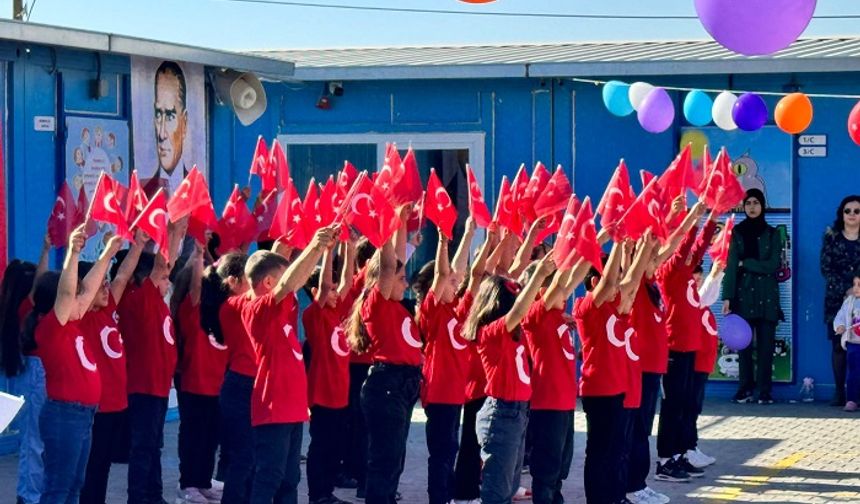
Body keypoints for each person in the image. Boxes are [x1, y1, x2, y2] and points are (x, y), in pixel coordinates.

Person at [241, 226, 336, 504]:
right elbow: (287, 284)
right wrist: (314, 248)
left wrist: (315, 249)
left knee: (290, 479)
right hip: (273, 408)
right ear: (268, 283)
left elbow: (294, 277)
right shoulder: (258, 308)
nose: (295, 286)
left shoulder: (283, 312)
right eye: (283, 277)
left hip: (293, 408)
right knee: (269, 475)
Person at [29, 226, 122, 503]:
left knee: (74, 485)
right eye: (72, 294)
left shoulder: (73, 321)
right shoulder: (50, 328)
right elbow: (68, 295)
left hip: (82, 415)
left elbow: (87, 290)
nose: (81, 298)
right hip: (64, 415)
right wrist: (72, 251)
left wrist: (107, 255)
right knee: (59, 487)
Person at [461, 249, 554, 504]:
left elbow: (531, 305)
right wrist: (539, 275)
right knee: (496, 492)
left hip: (516, 412)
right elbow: (520, 310)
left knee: (508, 488)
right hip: (501, 415)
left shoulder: (512, 332)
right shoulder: (491, 332)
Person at [346, 206, 422, 504]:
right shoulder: (375, 303)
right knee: (385, 460)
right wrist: (391, 224)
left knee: (396, 459)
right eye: (402, 279)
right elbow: (389, 266)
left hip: (402, 385)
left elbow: (397, 261)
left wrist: (401, 221)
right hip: (386, 385)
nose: (405, 283)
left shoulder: (395, 306)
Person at [577, 231, 655, 504]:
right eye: (610, 280)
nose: (619, 286)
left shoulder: (617, 308)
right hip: (599, 390)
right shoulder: (587, 307)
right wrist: (619, 242)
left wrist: (645, 246)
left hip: (620, 389)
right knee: (600, 452)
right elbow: (612, 281)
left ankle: (616, 495)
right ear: (595, 282)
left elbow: (631, 282)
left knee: (618, 450)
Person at [121, 219, 187, 504]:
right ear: (144, 279)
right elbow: (163, 264)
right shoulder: (138, 300)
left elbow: (165, 268)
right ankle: (138, 498)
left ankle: (154, 495)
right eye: (162, 279)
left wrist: (181, 232)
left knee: (154, 446)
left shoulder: (159, 302)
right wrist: (175, 229)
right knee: (143, 447)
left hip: (159, 388)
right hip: (144, 388)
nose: (167, 281)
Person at [79, 230, 147, 504]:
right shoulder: (80, 318)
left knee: (103, 466)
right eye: (100, 285)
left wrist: (138, 245)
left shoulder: (107, 311)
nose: (106, 287)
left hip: (115, 406)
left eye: (105, 283)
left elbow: (121, 277)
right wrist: (105, 255)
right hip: (95, 408)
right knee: (90, 468)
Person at [413, 219, 475, 504]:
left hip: (454, 394)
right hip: (439, 393)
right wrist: (442, 242)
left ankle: (447, 495)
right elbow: (444, 273)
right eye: (451, 283)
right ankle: (438, 498)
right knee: (442, 451)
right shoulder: (432, 311)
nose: (456, 283)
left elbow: (459, 271)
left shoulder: (455, 309)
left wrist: (471, 231)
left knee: (450, 448)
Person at [522, 253, 590, 504]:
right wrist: (568, 249)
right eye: (559, 290)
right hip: (547, 404)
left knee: (561, 466)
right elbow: (564, 281)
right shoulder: (536, 315)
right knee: (547, 470)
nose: (567, 294)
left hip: (565, 403)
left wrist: (593, 245)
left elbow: (573, 278)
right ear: (542, 291)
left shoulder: (558, 316)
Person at [656, 206, 717, 482]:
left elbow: (699, 248)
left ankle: (680, 454)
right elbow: (686, 248)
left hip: (689, 350)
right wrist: (695, 218)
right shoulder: (669, 272)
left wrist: (712, 218)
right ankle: (665, 460)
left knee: (683, 406)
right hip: (674, 350)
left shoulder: (687, 274)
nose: (690, 254)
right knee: (672, 408)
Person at [173, 244, 229, 504]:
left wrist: (208, 255)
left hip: (217, 386)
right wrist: (197, 257)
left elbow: (224, 273)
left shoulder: (218, 314)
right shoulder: (190, 308)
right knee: (194, 437)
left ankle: (204, 481)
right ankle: (188, 483)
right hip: (195, 385)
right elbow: (196, 287)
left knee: (212, 437)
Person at [303, 240, 355, 504]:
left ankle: (327, 492)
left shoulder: (337, 313)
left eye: (336, 290)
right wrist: (327, 250)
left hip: (340, 394)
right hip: (322, 394)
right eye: (330, 289)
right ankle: (317, 495)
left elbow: (348, 279)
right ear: (315, 292)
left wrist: (350, 247)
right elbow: (326, 286)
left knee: (335, 446)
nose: (336, 292)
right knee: (321, 447)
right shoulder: (314, 315)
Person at [722, 189, 782, 405]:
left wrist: (745, 263)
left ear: (763, 206)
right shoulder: (737, 233)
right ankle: (745, 389)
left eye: (756, 203)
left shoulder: (773, 234)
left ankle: (764, 391)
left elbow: (773, 264)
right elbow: (730, 266)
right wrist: (727, 297)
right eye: (748, 203)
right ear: (743, 207)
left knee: (766, 347)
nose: (752, 207)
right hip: (743, 294)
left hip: (767, 295)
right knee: (744, 346)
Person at [452, 228, 496, 504]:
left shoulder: (487, 306)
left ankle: (473, 489)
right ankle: (463, 493)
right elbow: (480, 274)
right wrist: (490, 241)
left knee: (483, 443)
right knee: (469, 443)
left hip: (489, 383)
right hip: (473, 385)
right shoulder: (465, 305)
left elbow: (500, 272)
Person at [1, 249, 46, 504]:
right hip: (33, 374)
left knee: (33, 441)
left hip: (26, 373)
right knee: (34, 442)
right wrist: (47, 250)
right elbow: (39, 283)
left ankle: (30, 494)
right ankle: (29, 496)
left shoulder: (11, 307)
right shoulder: (26, 307)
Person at [215, 252, 254, 504]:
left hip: (250, 384)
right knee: (244, 455)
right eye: (249, 277)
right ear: (233, 281)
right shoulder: (232, 306)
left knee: (246, 455)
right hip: (241, 384)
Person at [820, 195, 860, 406]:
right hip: (837, 301)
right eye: (848, 211)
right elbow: (826, 268)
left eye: (856, 211)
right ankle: (839, 392)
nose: (852, 215)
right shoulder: (832, 237)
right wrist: (846, 289)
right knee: (838, 345)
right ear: (841, 214)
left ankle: (856, 394)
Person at [685, 260, 723, 468]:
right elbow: (706, 293)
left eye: (700, 280)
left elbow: (711, 293)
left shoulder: (701, 303)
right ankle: (687, 448)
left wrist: (718, 274)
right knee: (689, 408)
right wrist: (714, 275)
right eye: (694, 280)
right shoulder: (693, 303)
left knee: (695, 407)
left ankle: (692, 446)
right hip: (694, 364)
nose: (698, 284)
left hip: (703, 364)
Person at [143, 60, 189, 196]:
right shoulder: (144, 196)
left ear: (184, 123)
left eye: (169, 116)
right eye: (158, 114)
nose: (162, 134)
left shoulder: (197, 195)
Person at [833, 271, 860, 411]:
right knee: (853, 372)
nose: (856, 288)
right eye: (854, 284)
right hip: (853, 343)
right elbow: (840, 316)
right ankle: (851, 400)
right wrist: (840, 326)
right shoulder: (849, 302)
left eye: (859, 285)